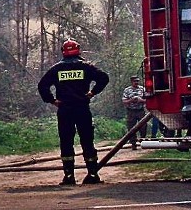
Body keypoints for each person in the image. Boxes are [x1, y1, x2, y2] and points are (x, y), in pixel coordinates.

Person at [37, 39, 110, 186]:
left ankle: (69, 176)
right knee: (87, 141)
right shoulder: (86, 67)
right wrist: (92, 93)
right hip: (82, 108)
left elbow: (42, 85)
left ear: (63, 52)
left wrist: (52, 100)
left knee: (66, 142)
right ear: (79, 50)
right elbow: (104, 78)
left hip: (65, 110)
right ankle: (93, 174)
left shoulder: (56, 69)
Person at [122, 75, 147, 149]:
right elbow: (124, 101)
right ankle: (133, 143)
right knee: (131, 128)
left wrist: (140, 100)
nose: (136, 82)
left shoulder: (142, 89)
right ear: (131, 82)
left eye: (137, 81)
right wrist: (131, 100)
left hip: (140, 111)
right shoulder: (127, 90)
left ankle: (143, 141)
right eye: (135, 81)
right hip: (131, 111)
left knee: (143, 126)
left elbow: (148, 100)